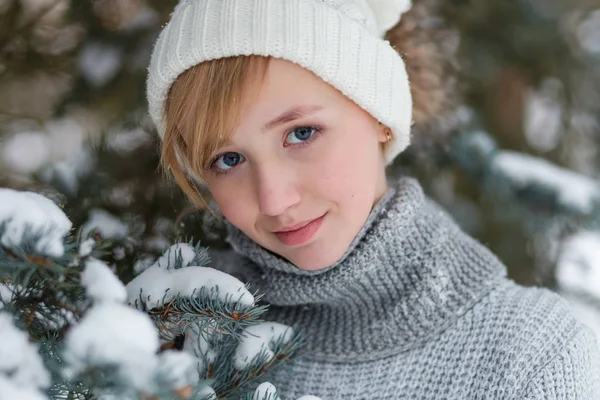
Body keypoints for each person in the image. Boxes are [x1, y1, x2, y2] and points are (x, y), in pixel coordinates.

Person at [146, 0, 600, 398]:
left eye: (301, 133)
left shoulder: (534, 356)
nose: (275, 200)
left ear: (378, 115)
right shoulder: (177, 333)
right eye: (227, 159)